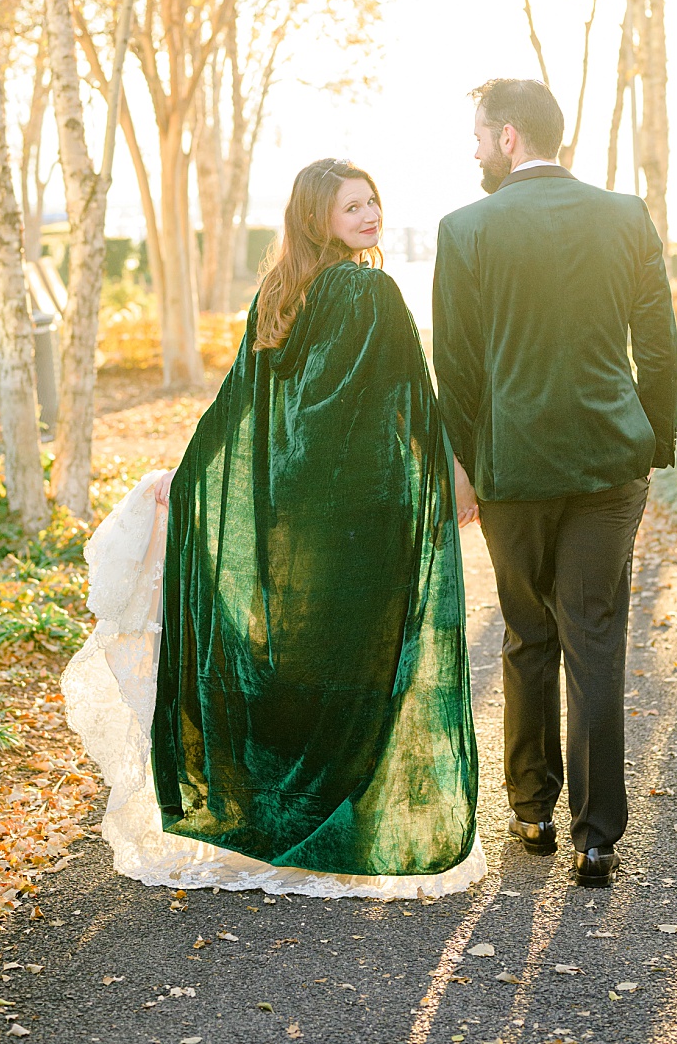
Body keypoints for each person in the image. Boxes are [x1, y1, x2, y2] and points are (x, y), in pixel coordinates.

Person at [64, 157, 485, 900]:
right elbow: (412, 399)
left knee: (295, 650)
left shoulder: (278, 295)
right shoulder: (372, 289)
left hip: (290, 513)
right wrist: (451, 473)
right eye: (352, 205)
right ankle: (340, 824)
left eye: (373, 199)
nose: (369, 213)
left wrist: (193, 480)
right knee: (359, 665)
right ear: (316, 216)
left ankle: (277, 816)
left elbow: (237, 409)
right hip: (363, 517)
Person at [433, 77, 677, 888]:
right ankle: (596, 836)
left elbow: (457, 367)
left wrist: (461, 464)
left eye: (477, 134)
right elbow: (660, 347)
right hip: (612, 465)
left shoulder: (464, 229)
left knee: (528, 630)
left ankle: (532, 808)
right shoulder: (626, 215)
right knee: (594, 635)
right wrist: (654, 444)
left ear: (508, 137)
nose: (472, 148)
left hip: (513, 469)